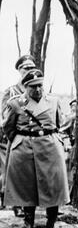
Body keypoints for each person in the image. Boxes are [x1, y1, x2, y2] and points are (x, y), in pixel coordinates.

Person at [2, 69, 69, 228]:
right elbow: (9, 127)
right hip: (26, 149)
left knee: (54, 187)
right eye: (33, 87)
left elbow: (58, 124)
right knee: (27, 188)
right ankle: (28, 224)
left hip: (49, 147)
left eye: (40, 85)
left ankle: (51, 224)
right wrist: (21, 142)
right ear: (25, 87)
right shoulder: (16, 103)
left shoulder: (54, 101)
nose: (38, 90)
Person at [0, 54, 36, 217]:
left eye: (31, 67)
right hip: (15, 137)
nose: (28, 70)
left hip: (35, 138)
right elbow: (5, 117)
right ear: (19, 70)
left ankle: (28, 203)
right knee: (14, 172)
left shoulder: (37, 89)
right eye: (25, 68)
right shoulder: (11, 91)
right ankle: (15, 204)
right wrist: (14, 136)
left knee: (32, 173)